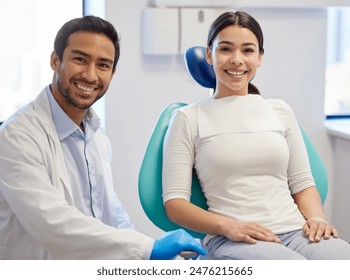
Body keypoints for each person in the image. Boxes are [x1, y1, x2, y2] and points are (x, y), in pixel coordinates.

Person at [0, 15, 205, 260]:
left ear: (112, 72)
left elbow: (109, 210)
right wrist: (148, 250)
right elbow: (51, 223)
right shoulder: (17, 136)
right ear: (55, 60)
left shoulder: (96, 134)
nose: (90, 75)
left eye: (103, 65)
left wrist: (144, 256)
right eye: (80, 60)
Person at [162, 11, 350, 260]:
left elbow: (303, 184)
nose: (237, 60)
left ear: (260, 57)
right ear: (210, 54)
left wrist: (316, 218)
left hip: (297, 232)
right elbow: (175, 204)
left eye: (248, 51)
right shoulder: (188, 118)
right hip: (232, 238)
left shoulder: (280, 110)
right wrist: (227, 226)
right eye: (226, 49)